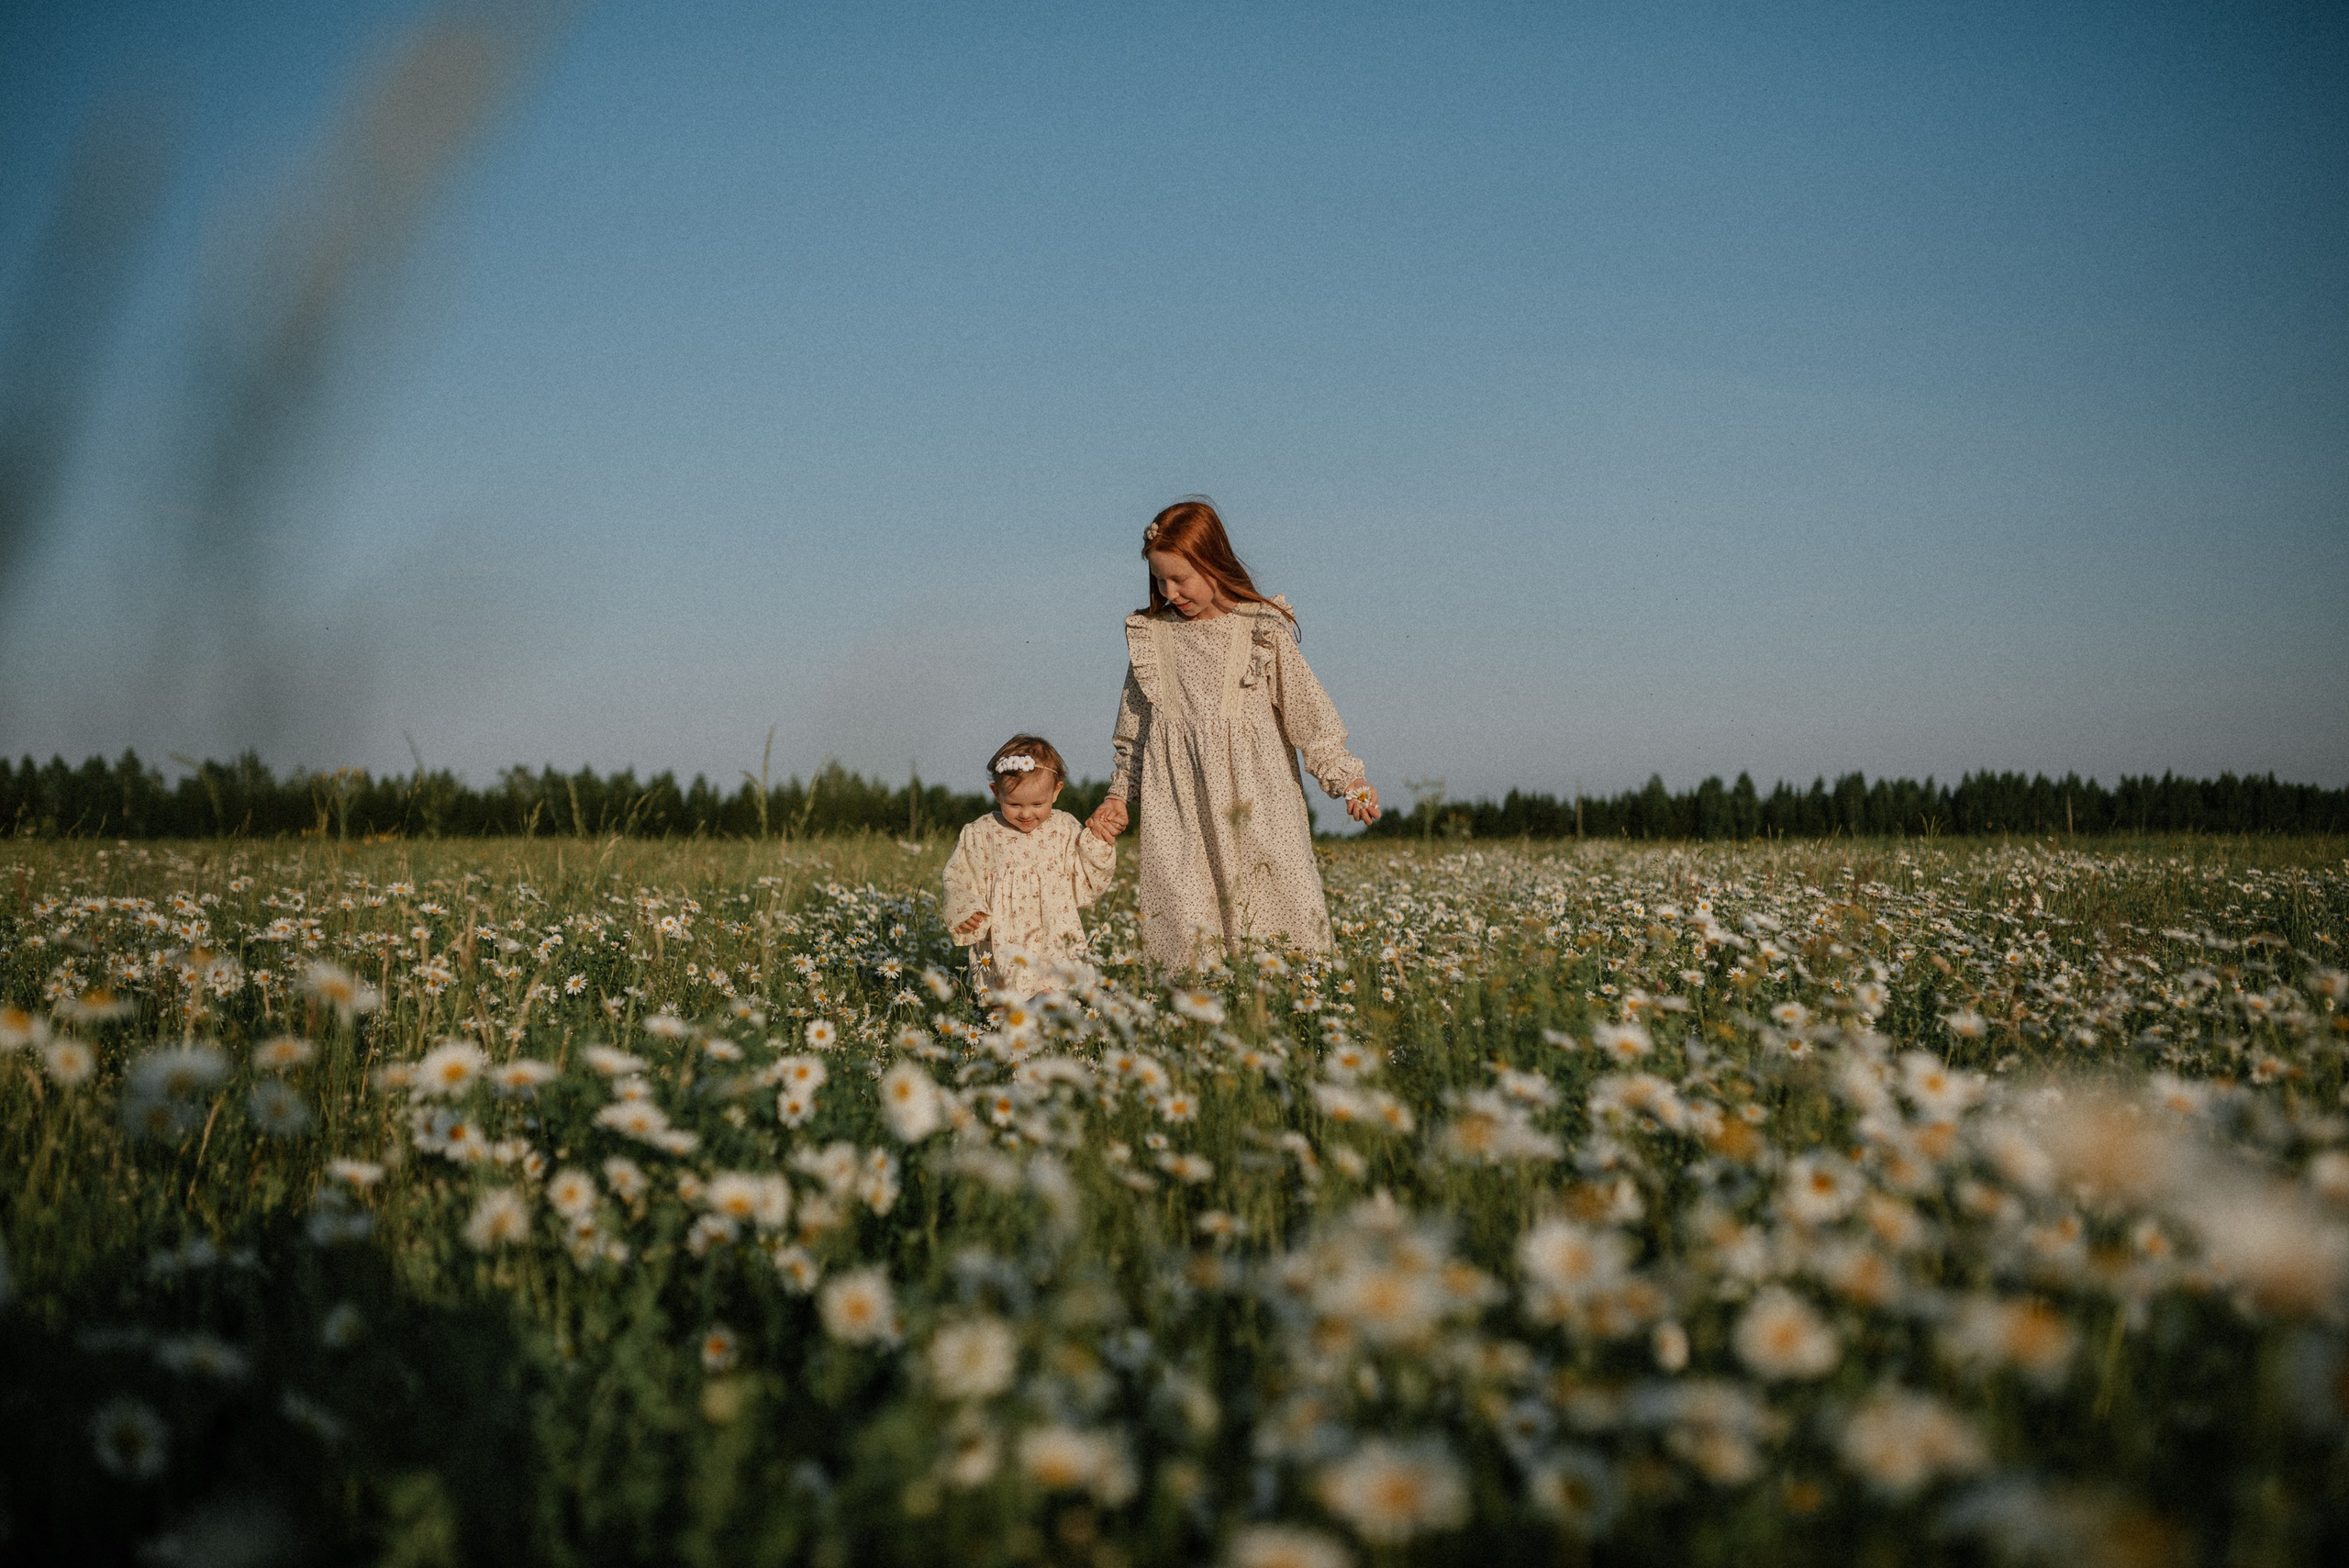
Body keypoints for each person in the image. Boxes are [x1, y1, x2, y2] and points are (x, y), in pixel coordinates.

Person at [1087, 497, 1379, 971]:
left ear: (1212, 561)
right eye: (1159, 579)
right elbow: (1134, 729)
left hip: (1258, 805)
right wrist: (1119, 794)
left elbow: (1308, 714)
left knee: (1277, 915)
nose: (1169, 591)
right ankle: (1194, 1012)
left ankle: (1287, 1006)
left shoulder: (1260, 628)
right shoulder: (1152, 637)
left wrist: (1346, 777)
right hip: (1178, 812)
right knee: (1185, 926)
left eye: (1180, 578)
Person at [942, 735, 1118, 1000]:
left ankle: (1057, 1019)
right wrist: (966, 908)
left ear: (1056, 791)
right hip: (1004, 940)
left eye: (1037, 804)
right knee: (1003, 1004)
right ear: (996, 793)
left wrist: (1098, 843)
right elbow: (959, 875)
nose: (1026, 814)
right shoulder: (982, 833)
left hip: (1053, 937)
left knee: (1055, 998)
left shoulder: (1063, 829)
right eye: (1014, 804)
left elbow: (1085, 875)